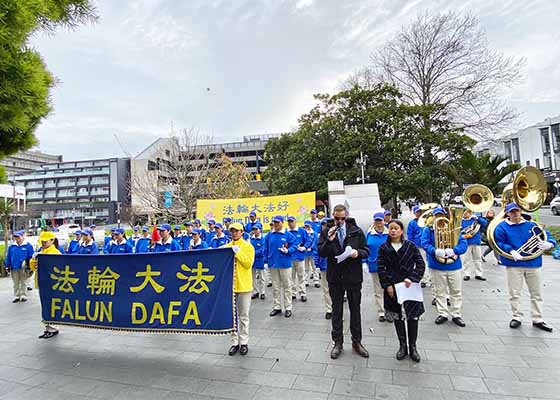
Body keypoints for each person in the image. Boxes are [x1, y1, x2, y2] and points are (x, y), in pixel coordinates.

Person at [494, 202, 556, 332]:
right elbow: (499, 242)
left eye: (517, 211)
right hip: (514, 264)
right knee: (514, 293)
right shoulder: (502, 227)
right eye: (512, 212)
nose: (515, 214)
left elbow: (547, 235)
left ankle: (537, 318)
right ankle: (516, 317)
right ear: (507, 213)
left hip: (533, 263)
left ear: (521, 211)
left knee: (536, 293)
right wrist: (510, 250)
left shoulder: (532, 225)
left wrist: (549, 243)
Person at [318, 204, 370, 360]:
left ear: (346, 217)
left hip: (353, 276)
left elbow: (366, 251)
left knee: (355, 310)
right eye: (336, 218)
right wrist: (329, 240)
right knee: (337, 310)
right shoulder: (326, 232)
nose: (339, 221)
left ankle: (357, 342)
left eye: (342, 218)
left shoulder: (356, 231)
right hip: (335, 277)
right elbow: (321, 252)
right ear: (333, 216)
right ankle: (337, 343)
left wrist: (356, 253)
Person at [377, 219, 425, 362]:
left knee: (412, 316)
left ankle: (413, 347)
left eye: (396, 228)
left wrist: (412, 278)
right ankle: (402, 346)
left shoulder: (410, 246)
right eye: (390, 228)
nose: (393, 231)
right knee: (397, 316)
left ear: (401, 230)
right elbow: (380, 267)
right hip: (393, 285)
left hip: (409, 286)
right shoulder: (384, 247)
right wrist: (387, 285)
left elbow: (420, 264)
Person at [421, 207, 468, 327]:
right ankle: (442, 313)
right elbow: (424, 243)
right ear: (434, 217)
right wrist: (435, 251)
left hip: (454, 265)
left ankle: (456, 314)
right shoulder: (429, 229)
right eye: (437, 215)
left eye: (442, 215)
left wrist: (454, 250)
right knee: (439, 291)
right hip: (436, 265)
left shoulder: (453, 228)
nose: (440, 217)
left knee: (456, 291)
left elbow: (463, 244)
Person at [224, 223, 255, 356]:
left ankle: (244, 342)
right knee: (233, 316)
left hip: (244, 286)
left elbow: (248, 264)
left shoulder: (248, 246)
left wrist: (238, 253)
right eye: (232, 231)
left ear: (242, 232)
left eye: (237, 231)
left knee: (244, 315)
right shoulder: (227, 246)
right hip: (230, 285)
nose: (234, 233)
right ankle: (234, 342)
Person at [30, 231, 62, 339]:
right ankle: (47, 327)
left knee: (51, 305)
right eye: (42, 241)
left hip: (51, 284)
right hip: (41, 282)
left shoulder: (55, 252)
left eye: (45, 241)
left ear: (52, 240)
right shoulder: (41, 251)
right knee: (45, 306)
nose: (43, 243)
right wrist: (34, 259)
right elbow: (34, 268)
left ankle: (53, 328)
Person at [266, 215, 296, 317]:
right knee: (276, 287)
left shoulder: (288, 235)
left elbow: (294, 245)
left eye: (278, 222)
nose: (276, 224)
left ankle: (288, 307)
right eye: (274, 222)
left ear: (282, 223)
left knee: (287, 286)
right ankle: (277, 306)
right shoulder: (269, 235)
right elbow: (266, 248)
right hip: (273, 264)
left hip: (285, 264)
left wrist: (288, 251)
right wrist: (267, 260)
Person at [365, 212, 389, 322]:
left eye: (380, 220)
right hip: (374, 264)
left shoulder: (390, 232)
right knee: (378, 289)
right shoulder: (369, 233)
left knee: (389, 288)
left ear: (384, 221)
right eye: (376, 221)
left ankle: (390, 309)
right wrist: (364, 262)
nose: (378, 223)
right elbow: (365, 248)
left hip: (388, 265)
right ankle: (381, 312)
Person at [4, 230, 34, 303]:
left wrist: (30, 267)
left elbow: (31, 257)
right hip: (14, 267)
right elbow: (8, 256)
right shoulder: (12, 247)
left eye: (18, 237)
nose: (17, 238)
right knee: (16, 282)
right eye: (15, 237)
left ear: (22, 237)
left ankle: (23, 295)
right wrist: (7, 265)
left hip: (24, 267)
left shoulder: (28, 246)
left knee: (23, 281)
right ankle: (17, 295)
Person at [461, 209, 488, 281]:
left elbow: (485, 223)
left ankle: (479, 274)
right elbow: (459, 231)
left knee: (478, 259)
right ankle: (467, 274)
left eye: (468, 212)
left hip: (476, 241)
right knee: (466, 260)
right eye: (465, 212)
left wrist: (477, 218)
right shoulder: (461, 221)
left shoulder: (475, 220)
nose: (466, 213)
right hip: (466, 242)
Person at [408, 205, 430, 289]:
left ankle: (428, 278)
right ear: (414, 213)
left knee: (429, 262)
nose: (419, 213)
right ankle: (423, 279)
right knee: (421, 262)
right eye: (417, 212)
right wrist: (412, 246)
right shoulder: (412, 223)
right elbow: (410, 236)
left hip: (427, 245)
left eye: (420, 211)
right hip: (418, 246)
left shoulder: (427, 221)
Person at [287, 216, 308, 302]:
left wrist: (305, 247)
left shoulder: (302, 231)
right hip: (290, 257)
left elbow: (308, 240)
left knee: (301, 276)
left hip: (299, 257)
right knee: (291, 277)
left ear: (295, 221)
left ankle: (303, 293)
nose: (290, 223)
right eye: (289, 222)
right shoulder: (287, 232)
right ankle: (293, 293)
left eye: (291, 221)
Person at [315, 218, 332, 319]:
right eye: (323, 225)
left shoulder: (335, 235)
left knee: (335, 289)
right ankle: (329, 308)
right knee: (326, 289)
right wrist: (317, 265)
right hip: (323, 266)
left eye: (326, 225)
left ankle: (337, 308)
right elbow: (316, 252)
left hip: (334, 266)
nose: (325, 226)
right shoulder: (319, 237)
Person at [250, 223, 266, 300]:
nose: (255, 231)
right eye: (254, 229)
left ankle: (262, 292)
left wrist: (253, 253)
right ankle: (255, 291)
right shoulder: (251, 239)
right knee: (253, 278)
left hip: (260, 260)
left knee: (261, 277)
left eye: (256, 229)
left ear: (260, 230)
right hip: (252, 260)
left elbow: (262, 250)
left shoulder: (263, 239)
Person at [303, 220, 319, 288]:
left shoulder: (314, 233)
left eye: (308, 226)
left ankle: (316, 281)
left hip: (313, 253)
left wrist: (311, 247)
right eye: (305, 226)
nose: (306, 227)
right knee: (306, 268)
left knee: (314, 267)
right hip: (305, 253)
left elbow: (315, 241)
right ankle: (305, 281)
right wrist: (304, 247)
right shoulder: (304, 233)